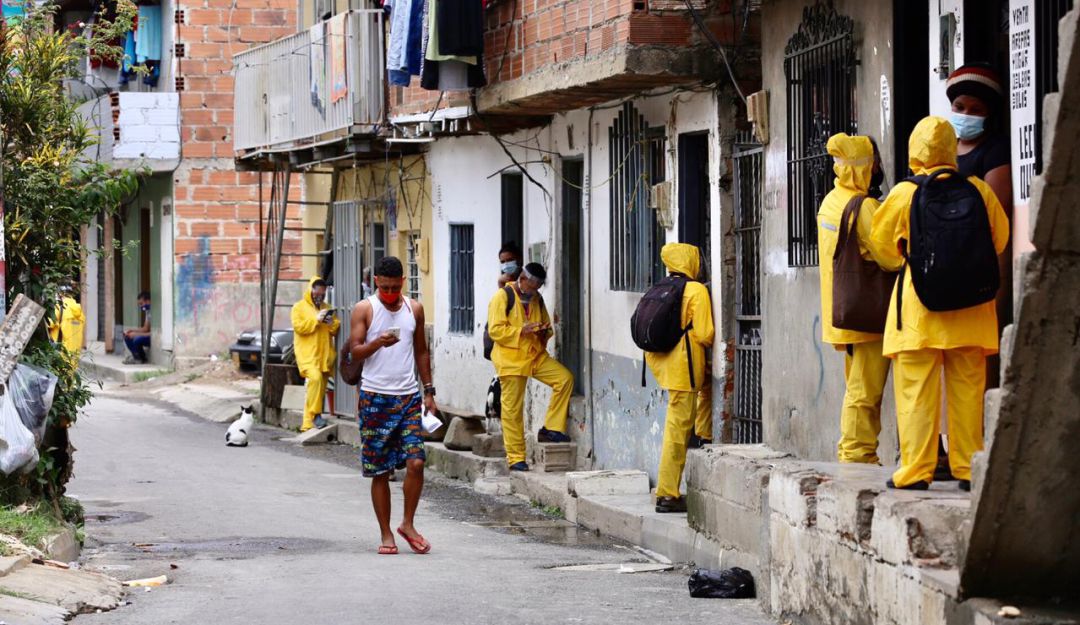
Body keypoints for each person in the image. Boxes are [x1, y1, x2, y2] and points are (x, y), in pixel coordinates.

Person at [869, 116, 1009, 491]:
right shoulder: (979, 190)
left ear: (916, 150)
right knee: (967, 391)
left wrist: (909, 259)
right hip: (972, 311)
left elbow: (882, 249)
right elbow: (999, 240)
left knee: (916, 391)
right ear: (951, 149)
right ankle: (967, 468)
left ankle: (916, 471)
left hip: (920, 311)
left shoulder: (904, 193)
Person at [349, 256, 437, 555]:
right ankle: (386, 533)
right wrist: (377, 343)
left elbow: (421, 351)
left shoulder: (414, 309)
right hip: (374, 398)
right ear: (376, 282)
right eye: (383, 287)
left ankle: (407, 524)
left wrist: (429, 391)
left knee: (417, 462)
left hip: (409, 398)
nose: (388, 293)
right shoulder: (365, 309)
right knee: (380, 471)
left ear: (402, 282)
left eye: (394, 287)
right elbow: (356, 351)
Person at [816, 133, 891, 464]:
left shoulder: (831, 201)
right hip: (867, 314)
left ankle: (856, 450)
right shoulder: (864, 207)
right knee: (865, 391)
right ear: (867, 167)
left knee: (856, 386)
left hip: (843, 310)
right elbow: (890, 256)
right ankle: (857, 454)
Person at [646, 243, 714, 513]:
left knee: (699, 399)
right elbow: (706, 333)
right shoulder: (696, 290)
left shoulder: (661, 286)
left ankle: (704, 434)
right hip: (683, 368)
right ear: (691, 261)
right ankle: (667, 493)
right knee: (676, 431)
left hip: (664, 364)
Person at [487, 262, 573, 471]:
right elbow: (495, 331)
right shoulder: (503, 297)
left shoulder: (537, 299)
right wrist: (521, 331)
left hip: (534, 355)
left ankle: (551, 428)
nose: (534, 292)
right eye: (532, 287)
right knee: (512, 410)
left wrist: (543, 331)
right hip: (511, 360)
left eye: (538, 289)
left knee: (564, 379)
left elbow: (546, 325)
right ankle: (516, 457)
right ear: (523, 280)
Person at [291, 277, 340, 432]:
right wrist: (316, 320)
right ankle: (316, 414)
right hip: (307, 355)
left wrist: (332, 323)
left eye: (322, 293)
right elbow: (299, 327)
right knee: (315, 379)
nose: (320, 296)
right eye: (317, 293)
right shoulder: (298, 307)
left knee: (317, 388)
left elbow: (334, 330)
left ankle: (307, 424)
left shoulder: (327, 307)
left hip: (324, 355)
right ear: (310, 291)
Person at [48, 287, 85, 370]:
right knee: (71, 374)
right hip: (75, 349)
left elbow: (49, 324)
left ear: (60, 295)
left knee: (60, 373)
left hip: (61, 349)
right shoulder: (79, 310)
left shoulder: (60, 307)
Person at [122, 291, 152, 365]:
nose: (141, 306)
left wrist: (136, 334)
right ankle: (137, 358)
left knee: (137, 339)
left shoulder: (156, 311)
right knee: (127, 336)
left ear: (148, 301)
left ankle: (143, 358)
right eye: (139, 304)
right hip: (148, 335)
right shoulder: (148, 312)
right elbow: (145, 328)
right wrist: (132, 331)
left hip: (152, 338)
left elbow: (155, 333)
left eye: (141, 304)